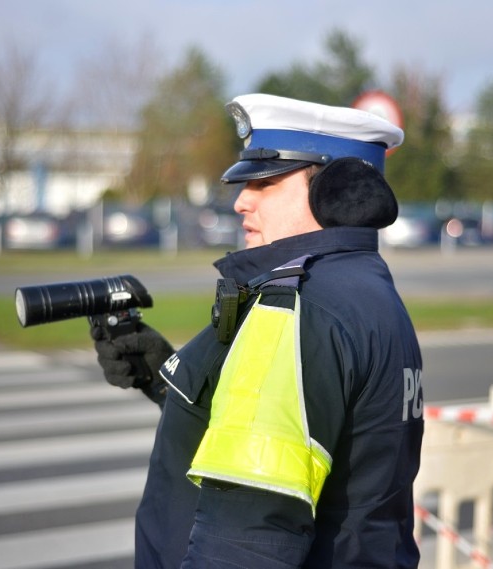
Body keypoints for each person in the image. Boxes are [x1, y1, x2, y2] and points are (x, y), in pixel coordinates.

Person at [92, 93, 424, 568]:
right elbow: (301, 438)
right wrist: (173, 384)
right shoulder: (367, 290)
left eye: (265, 180)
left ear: (339, 190)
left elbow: (244, 541)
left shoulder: (299, 308)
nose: (241, 200)